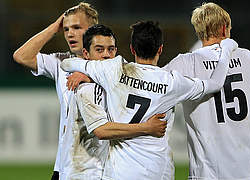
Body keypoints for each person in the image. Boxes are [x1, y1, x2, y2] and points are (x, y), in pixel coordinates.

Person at [60, 21, 238, 180]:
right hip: (158, 170)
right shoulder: (173, 82)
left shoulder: (113, 70)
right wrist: (227, 49)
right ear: (160, 49)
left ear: (132, 49)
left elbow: (66, 64)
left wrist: (90, 73)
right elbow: (215, 84)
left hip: (120, 171)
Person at [13, 3, 165, 179]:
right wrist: (55, 27)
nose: (70, 33)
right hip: (66, 164)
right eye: (66, 29)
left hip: (102, 165)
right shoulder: (61, 62)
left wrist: (90, 76)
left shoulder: (115, 65)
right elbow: (21, 56)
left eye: (77, 27)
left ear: (93, 30)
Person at [163, 2, 250, 180]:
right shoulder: (249, 58)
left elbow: (153, 88)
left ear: (198, 31)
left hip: (206, 174)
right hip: (249, 173)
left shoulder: (185, 63)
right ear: (225, 29)